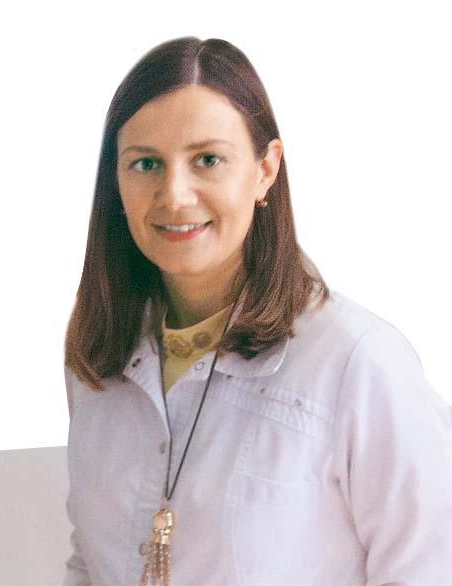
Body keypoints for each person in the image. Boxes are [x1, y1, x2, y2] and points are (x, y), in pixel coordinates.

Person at [63, 36, 452, 586]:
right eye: (145, 163)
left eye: (208, 160)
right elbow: (89, 562)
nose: (174, 195)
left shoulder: (359, 363)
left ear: (265, 169)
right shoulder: (98, 352)